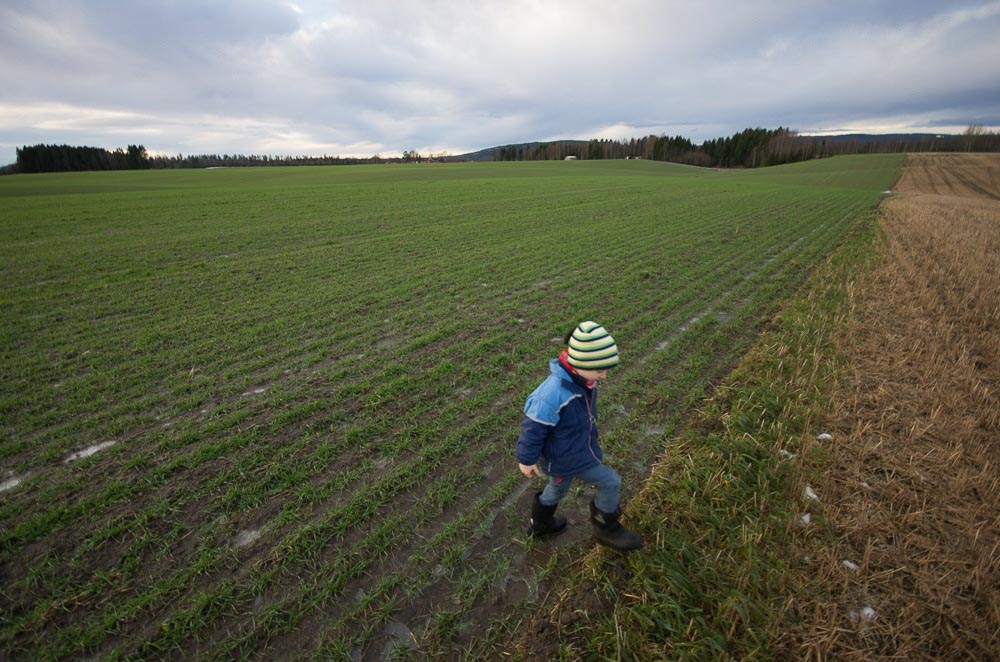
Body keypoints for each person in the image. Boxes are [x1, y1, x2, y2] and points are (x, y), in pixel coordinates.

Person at [515, 321, 643, 552]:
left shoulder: (582, 381)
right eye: (599, 370)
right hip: (566, 458)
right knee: (610, 481)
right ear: (579, 364)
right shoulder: (552, 394)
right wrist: (526, 459)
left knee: (557, 489)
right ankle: (607, 528)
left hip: (575, 452)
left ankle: (541, 524)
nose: (603, 376)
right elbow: (533, 428)